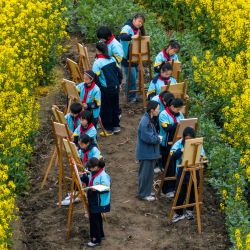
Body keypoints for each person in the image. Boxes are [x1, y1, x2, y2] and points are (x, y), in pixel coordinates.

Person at [170, 127, 206, 223]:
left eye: (190, 139)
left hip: (194, 170)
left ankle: (189, 211)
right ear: (184, 138)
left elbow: (203, 155)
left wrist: (201, 158)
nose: (188, 141)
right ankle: (178, 212)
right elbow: (172, 155)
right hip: (182, 170)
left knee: (193, 191)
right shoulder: (178, 144)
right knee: (180, 191)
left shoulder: (198, 144)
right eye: (186, 139)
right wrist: (181, 151)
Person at [92, 42, 122, 136]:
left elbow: (95, 78)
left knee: (106, 108)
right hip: (115, 87)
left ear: (97, 51)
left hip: (106, 89)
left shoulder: (97, 63)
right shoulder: (112, 59)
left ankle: (108, 129)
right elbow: (119, 73)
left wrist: (98, 89)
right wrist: (119, 83)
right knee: (115, 106)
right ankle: (116, 126)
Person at [81, 158, 111, 247]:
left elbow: (107, 188)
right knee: (97, 218)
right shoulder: (93, 173)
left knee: (94, 220)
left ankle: (96, 239)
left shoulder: (103, 175)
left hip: (99, 201)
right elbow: (89, 182)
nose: (89, 169)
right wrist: (84, 178)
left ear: (97, 167)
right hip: (93, 199)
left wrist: (96, 188)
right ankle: (100, 235)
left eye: (90, 168)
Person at [136, 100, 161, 201]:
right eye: (158, 109)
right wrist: (158, 139)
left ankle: (147, 191)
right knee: (145, 174)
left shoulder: (149, 119)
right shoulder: (145, 122)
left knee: (149, 174)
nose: (158, 111)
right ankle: (143, 194)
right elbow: (148, 138)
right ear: (152, 110)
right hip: (146, 153)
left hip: (149, 153)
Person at [159, 98, 184, 197]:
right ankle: (166, 190)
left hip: (177, 143)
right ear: (172, 107)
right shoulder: (163, 114)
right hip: (166, 144)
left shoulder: (179, 114)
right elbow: (167, 128)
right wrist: (177, 124)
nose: (179, 112)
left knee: (175, 166)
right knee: (168, 167)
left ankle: (174, 187)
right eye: (178, 109)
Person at [120, 13, 145, 102]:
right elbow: (122, 37)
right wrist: (132, 37)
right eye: (139, 21)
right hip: (126, 57)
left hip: (135, 57)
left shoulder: (138, 29)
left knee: (133, 76)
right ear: (134, 19)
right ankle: (130, 97)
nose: (140, 24)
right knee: (132, 77)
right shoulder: (127, 27)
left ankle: (130, 94)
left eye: (142, 23)